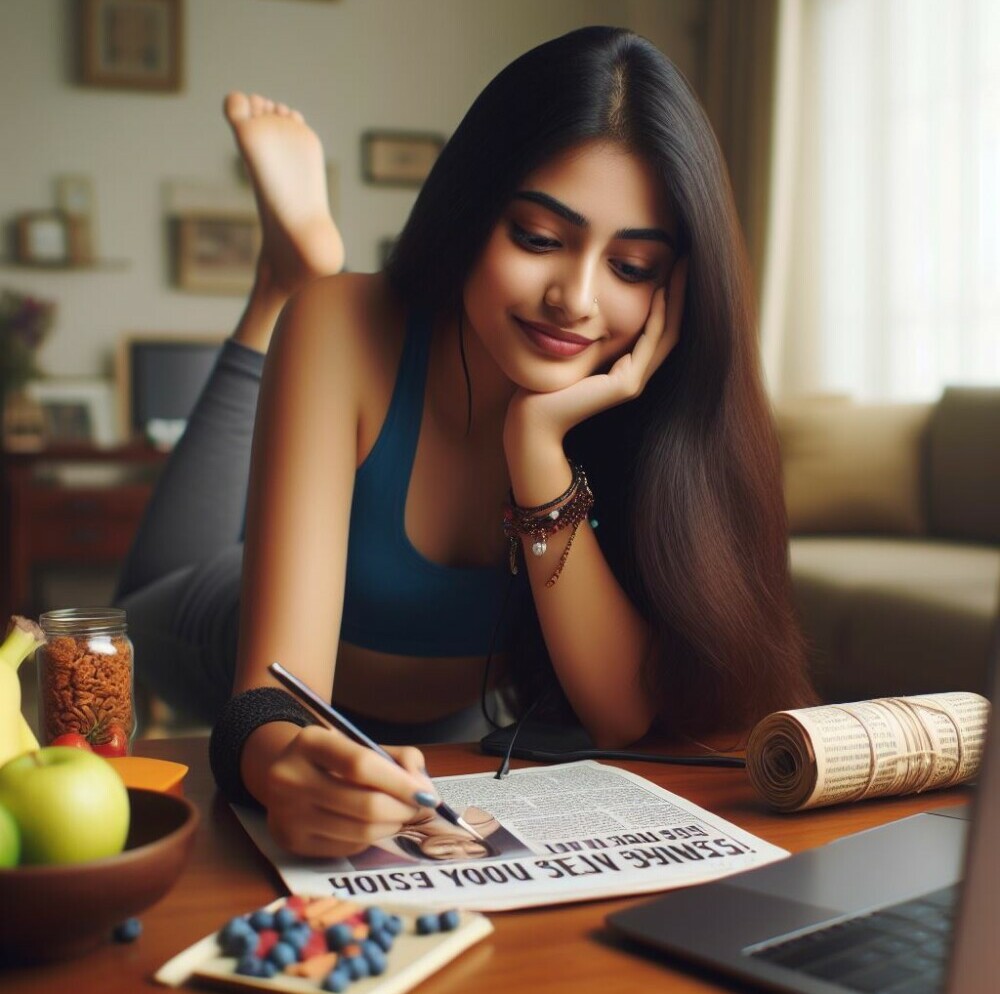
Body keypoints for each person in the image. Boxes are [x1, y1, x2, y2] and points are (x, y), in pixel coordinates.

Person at [115, 26, 816, 859]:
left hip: (436, 724)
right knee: (140, 597)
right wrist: (282, 766)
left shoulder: (645, 412)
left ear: (676, 288)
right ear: (474, 209)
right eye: (539, 238)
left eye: (630, 267)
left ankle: (284, 276)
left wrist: (538, 446)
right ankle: (281, 283)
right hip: (220, 631)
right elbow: (270, 695)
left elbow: (621, 711)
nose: (576, 300)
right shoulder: (346, 325)